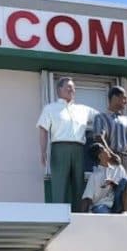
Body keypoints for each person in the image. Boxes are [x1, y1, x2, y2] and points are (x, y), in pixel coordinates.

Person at [36, 77, 99, 211]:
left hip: (79, 148)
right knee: (59, 184)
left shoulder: (83, 109)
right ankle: (59, 215)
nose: (72, 90)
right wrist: (42, 151)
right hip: (59, 148)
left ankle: (79, 215)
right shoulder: (50, 108)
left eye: (73, 87)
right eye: (68, 87)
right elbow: (43, 129)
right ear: (59, 90)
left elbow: (101, 118)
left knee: (78, 184)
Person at [80, 141, 127, 214]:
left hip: (118, 204)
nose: (107, 150)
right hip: (102, 206)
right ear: (100, 156)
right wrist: (82, 217)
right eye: (104, 149)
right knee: (102, 212)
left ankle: (125, 212)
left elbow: (126, 186)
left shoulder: (118, 168)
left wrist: (113, 184)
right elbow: (87, 198)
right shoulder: (94, 176)